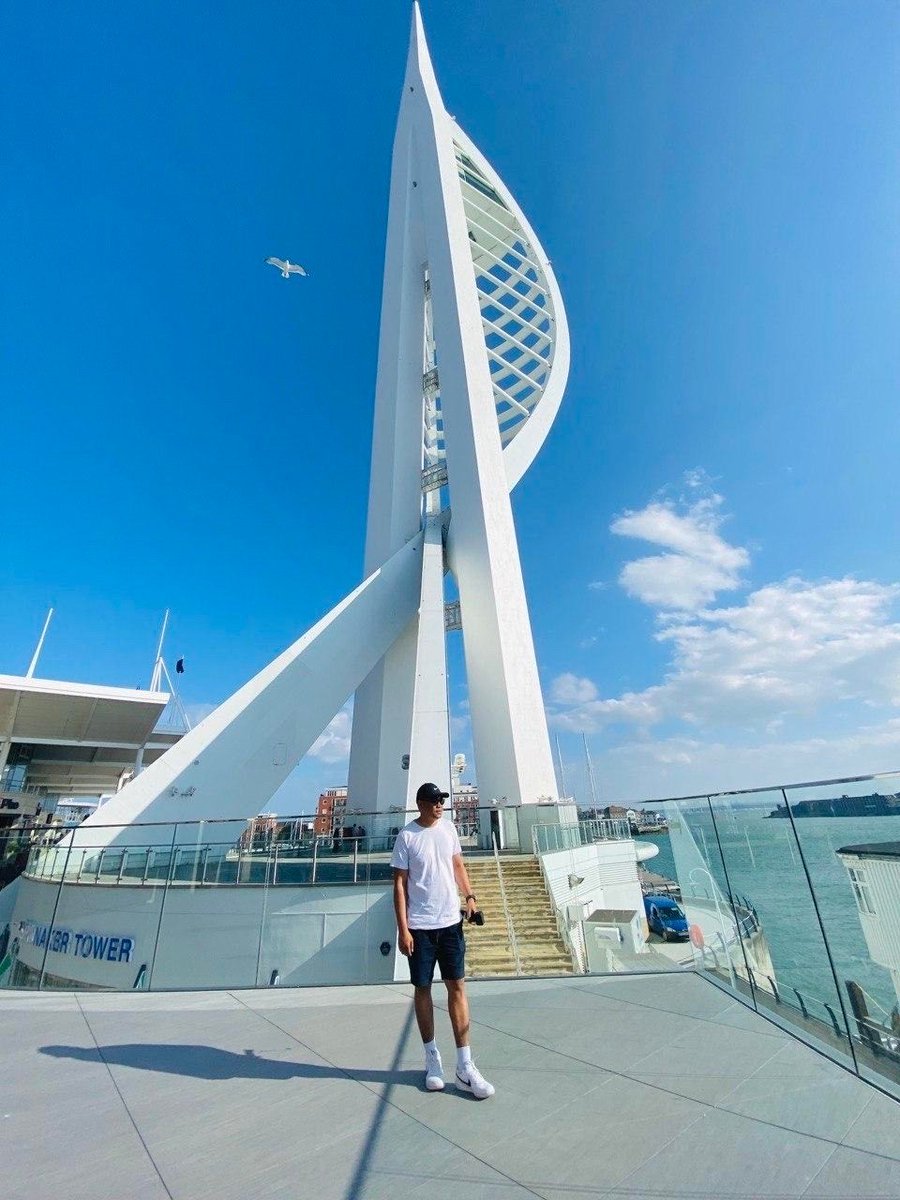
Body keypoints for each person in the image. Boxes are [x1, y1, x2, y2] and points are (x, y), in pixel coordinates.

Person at [390, 781, 495, 1099]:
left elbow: (458, 865)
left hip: (451, 923)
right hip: (420, 927)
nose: (440, 804)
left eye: (442, 801)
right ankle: (432, 1059)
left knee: (457, 987)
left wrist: (471, 896)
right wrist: (403, 929)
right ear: (421, 803)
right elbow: (399, 885)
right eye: (435, 800)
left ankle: (465, 1066)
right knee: (422, 989)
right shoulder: (407, 836)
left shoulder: (448, 830)